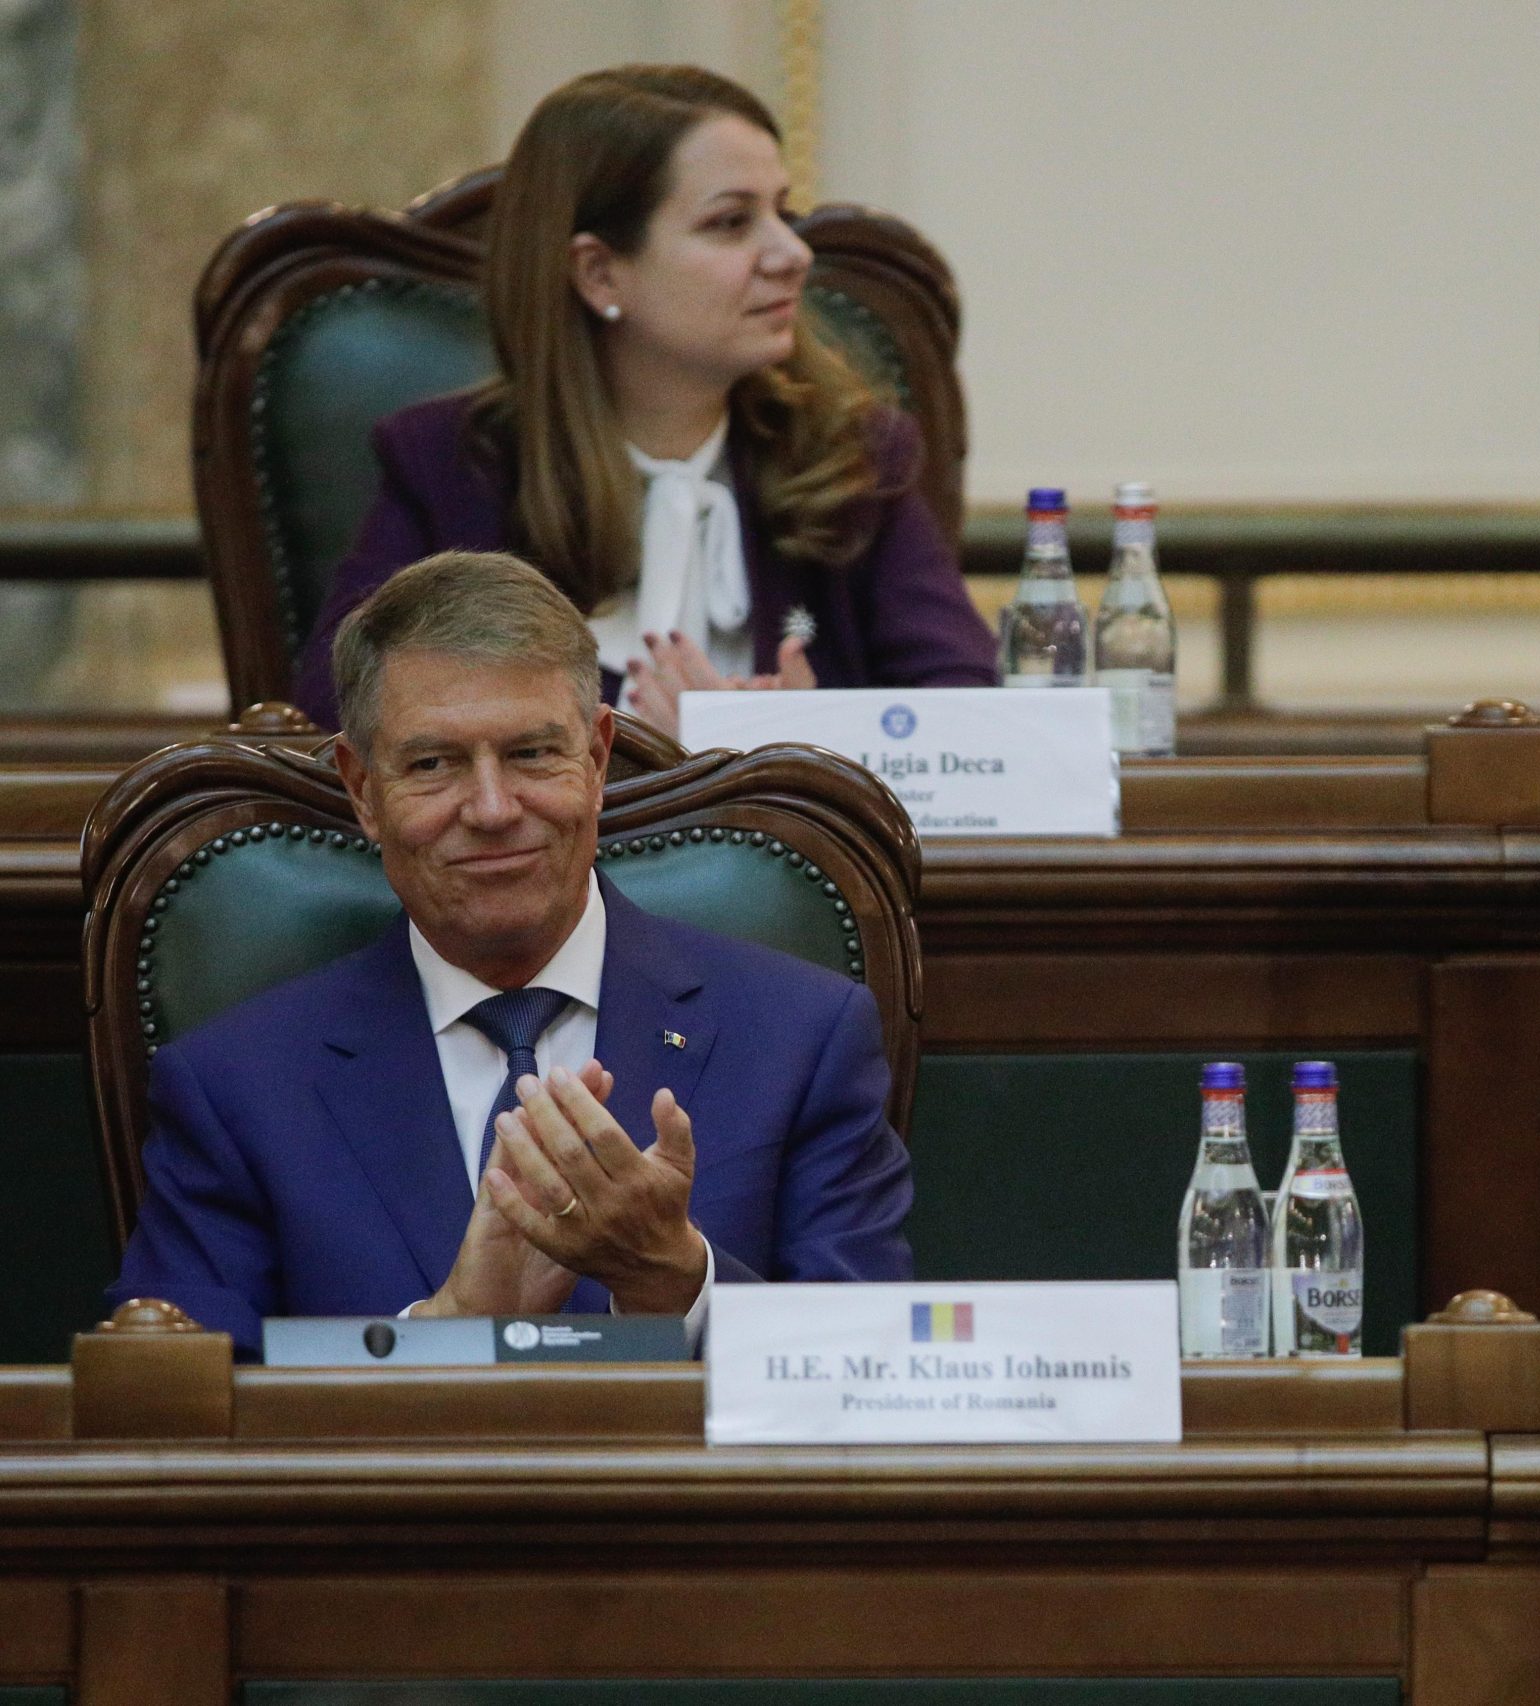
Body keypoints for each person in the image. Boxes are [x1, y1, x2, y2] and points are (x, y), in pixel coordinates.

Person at [116, 551, 915, 1357]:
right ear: (363, 790)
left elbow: (869, 1370)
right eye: (434, 765)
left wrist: (678, 1283)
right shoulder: (237, 1086)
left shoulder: (801, 1035)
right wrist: (437, 1334)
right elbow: (176, 1399)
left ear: (597, 760)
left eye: (533, 754)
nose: (494, 809)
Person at [292, 64, 995, 732]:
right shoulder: (449, 467)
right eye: (731, 222)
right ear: (599, 273)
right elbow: (343, 714)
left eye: (783, 213)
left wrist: (804, 742)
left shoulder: (855, 461)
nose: (792, 254)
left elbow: (972, 713)